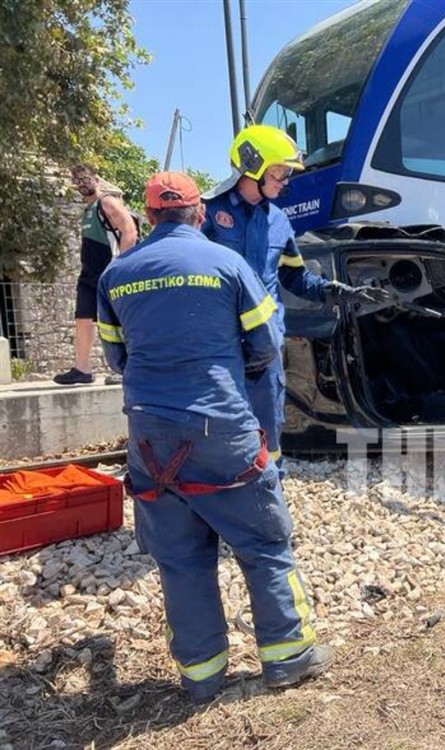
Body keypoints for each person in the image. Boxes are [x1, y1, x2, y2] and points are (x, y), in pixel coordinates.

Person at [96, 172, 331, 703]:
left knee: (179, 558)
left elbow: (116, 358)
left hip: (151, 439)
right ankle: (288, 656)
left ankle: (201, 675)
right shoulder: (229, 265)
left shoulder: (117, 275)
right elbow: (268, 343)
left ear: (150, 215)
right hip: (222, 427)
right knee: (266, 545)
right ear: (200, 213)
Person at [201, 125, 389, 467]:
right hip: (217, 345)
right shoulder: (207, 213)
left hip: (264, 347)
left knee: (268, 431)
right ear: (253, 165)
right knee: (218, 430)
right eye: (280, 171)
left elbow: (296, 277)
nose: (286, 180)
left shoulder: (279, 222)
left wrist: (338, 291)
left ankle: (269, 491)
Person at [54, 164, 138, 385]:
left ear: (96, 180)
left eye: (85, 179)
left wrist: (120, 265)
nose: (82, 184)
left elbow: (130, 230)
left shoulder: (107, 202)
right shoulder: (87, 210)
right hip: (89, 274)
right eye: (78, 181)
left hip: (109, 272)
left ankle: (126, 367)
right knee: (83, 318)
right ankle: (82, 369)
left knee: (117, 320)